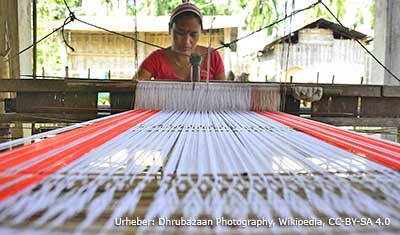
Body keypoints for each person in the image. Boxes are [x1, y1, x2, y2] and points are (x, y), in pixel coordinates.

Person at [136, 0, 225, 81]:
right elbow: (134, 88)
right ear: (170, 29)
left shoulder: (212, 58)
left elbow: (224, 93)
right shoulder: (156, 59)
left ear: (200, 32)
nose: (187, 41)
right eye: (180, 33)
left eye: (193, 34)